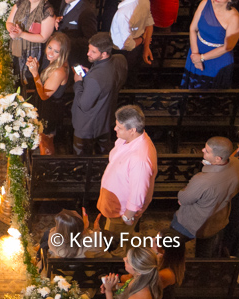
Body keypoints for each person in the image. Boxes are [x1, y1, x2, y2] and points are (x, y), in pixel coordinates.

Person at [170, 137, 239, 258]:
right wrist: (211, 165)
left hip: (190, 223)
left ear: (218, 159)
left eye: (207, 151)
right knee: (205, 254)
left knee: (171, 247)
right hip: (217, 220)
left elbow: (184, 198)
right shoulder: (236, 164)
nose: (202, 150)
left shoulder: (202, 180)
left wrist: (182, 196)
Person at [97, 105, 157, 236]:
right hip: (112, 199)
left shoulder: (140, 159)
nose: (115, 129)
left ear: (132, 130)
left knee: (115, 242)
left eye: (119, 127)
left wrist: (127, 216)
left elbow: (138, 193)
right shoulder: (128, 138)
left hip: (120, 210)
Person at [71, 33, 127, 155]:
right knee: (102, 154)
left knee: (82, 159)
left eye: (93, 52)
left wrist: (78, 83)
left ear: (104, 53)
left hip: (87, 126)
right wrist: (90, 72)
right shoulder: (119, 60)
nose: (88, 53)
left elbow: (84, 105)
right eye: (89, 49)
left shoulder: (95, 79)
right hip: (106, 121)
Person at [181, 0, 239, 89]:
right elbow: (192, 28)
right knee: (191, 90)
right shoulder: (205, 3)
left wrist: (201, 58)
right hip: (196, 50)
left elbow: (228, 47)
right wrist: (195, 55)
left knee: (210, 96)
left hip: (218, 58)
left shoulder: (234, 17)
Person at [6, 0, 56, 84]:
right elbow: (9, 21)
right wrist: (12, 30)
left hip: (35, 53)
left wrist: (21, 34)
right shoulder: (22, 1)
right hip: (18, 47)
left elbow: (43, 38)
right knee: (16, 76)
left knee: (29, 81)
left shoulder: (47, 10)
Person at [26, 32, 69, 151]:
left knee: (45, 142)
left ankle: (46, 167)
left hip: (50, 111)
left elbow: (44, 95)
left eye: (56, 51)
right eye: (50, 48)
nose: (50, 53)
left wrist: (35, 73)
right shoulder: (53, 61)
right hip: (45, 106)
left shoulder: (58, 72)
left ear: (62, 53)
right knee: (40, 137)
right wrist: (36, 66)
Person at [110, 0, 154, 87]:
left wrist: (143, 40)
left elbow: (127, 45)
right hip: (137, 50)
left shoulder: (122, 14)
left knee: (120, 83)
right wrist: (146, 47)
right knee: (131, 78)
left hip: (122, 52)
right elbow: (149, 23)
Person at [56, 0, 97, 67]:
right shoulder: (66, 0)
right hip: (61, 55)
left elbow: (90, 39)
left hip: (74, 59)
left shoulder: (87, 11)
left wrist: (65, 40)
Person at [153, 230, 185, 299]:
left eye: (156, 241)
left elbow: (134, 287)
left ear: (163, 251)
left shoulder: (165, 274)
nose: (152, 240)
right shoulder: (161, 267)